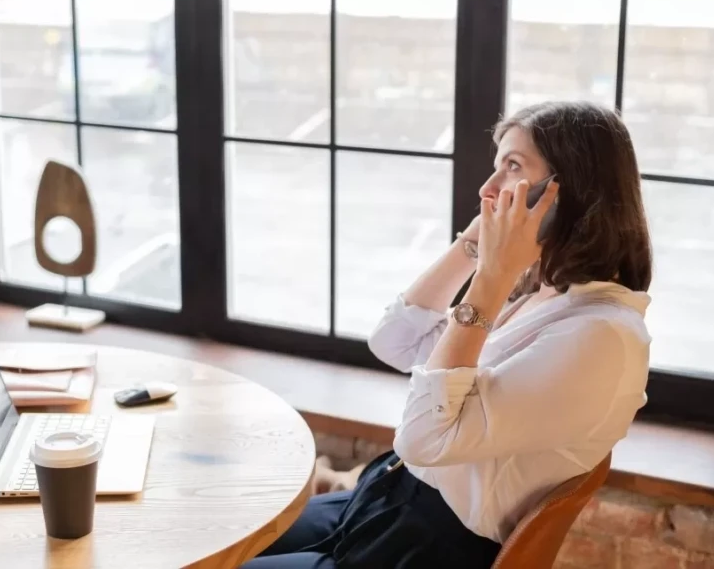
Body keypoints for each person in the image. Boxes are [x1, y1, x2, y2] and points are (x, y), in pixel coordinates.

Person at [242, 101, 653, 568]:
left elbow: (422, 438)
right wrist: (475, 245)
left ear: (568, 192)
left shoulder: (602, 339)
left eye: (513, 167)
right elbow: (395, 341)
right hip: (384, 498)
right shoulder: (546, 292)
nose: (487, 188)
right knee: (226, 536)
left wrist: (493, 278)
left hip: (423, 548)